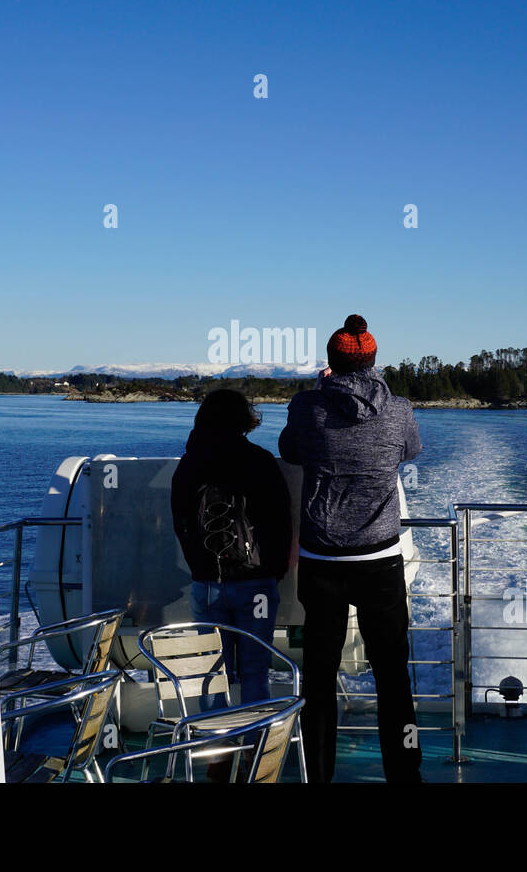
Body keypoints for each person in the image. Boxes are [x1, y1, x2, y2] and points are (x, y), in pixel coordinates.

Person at [278, 314, 423, 783]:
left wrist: (324, 395)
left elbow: (290, 452)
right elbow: (409, 451)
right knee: (393, 676)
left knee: (319, 678)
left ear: (330, 362)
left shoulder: (306, 408)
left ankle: (317, 775)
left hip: (322, 563)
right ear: (375, 361)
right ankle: (404, 775)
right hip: (380, 560)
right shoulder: (398, 408)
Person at [170, 389, 293, 712]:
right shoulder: (260, 460)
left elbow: (180, 522)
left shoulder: (189, 464)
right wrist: (274, 572)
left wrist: (199, 567)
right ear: (245, 419)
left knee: (213, 672)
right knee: (255, 672)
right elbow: (281, 521)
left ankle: (218, 752)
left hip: (207, 583)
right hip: (257, 583)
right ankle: (253, 752)